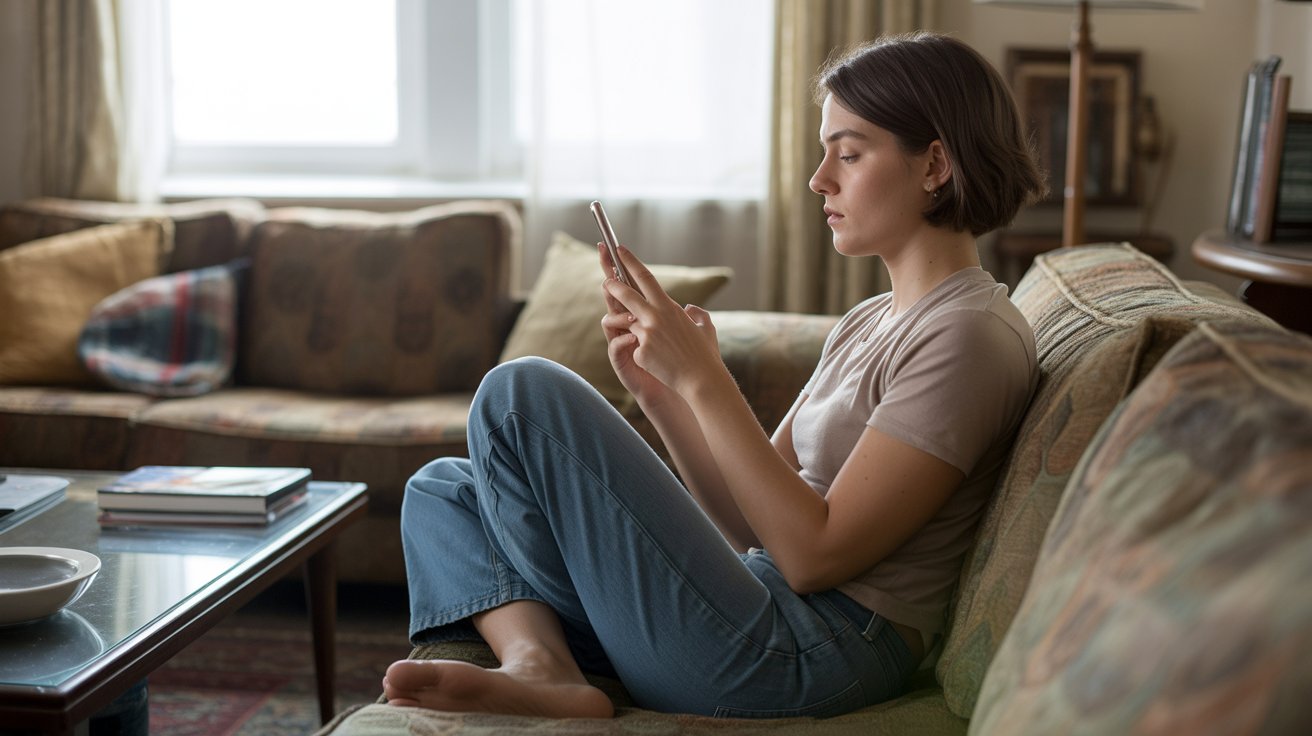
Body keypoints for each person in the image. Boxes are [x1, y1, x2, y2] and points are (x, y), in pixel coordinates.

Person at [383, 31, 1045, 720]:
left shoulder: (968, 337)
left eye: (848, 153)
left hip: (808, 655)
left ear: (935, 163)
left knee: (518, 395)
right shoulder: (869, 321)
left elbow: (815, 558)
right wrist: (661, 391)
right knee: (446, 490)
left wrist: (708, 381)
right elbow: (744, 526)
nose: (820, 178)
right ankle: (540, 664)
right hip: (753, 607)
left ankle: (552, 665)